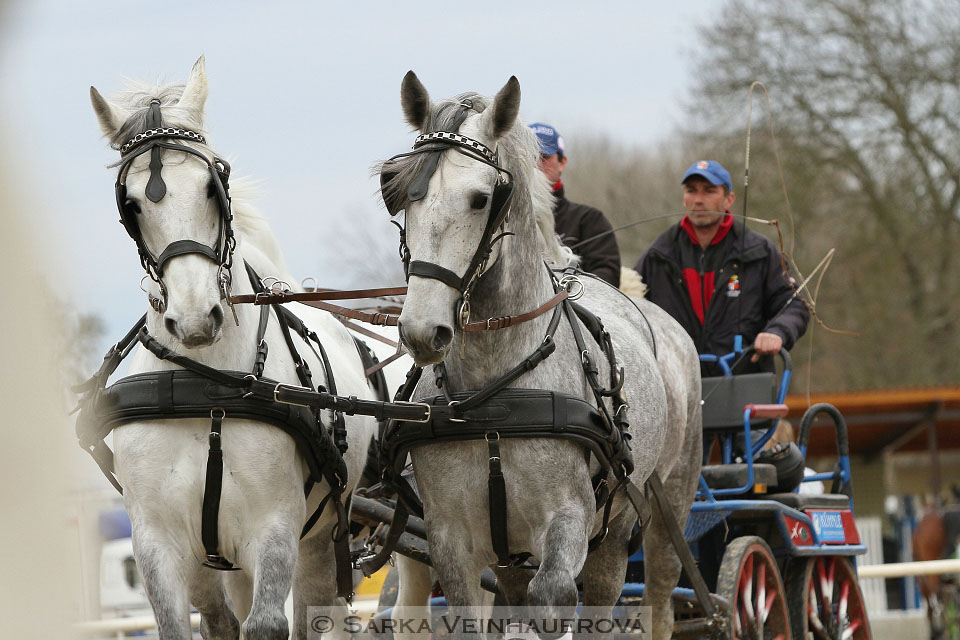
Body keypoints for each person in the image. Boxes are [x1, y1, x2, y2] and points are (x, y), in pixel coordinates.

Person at [635, 159, 809, 378]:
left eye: (709, 191)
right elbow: (629, 309)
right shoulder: (659, 254)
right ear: (684, 198)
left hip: (745, 382)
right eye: (691, 191)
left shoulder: (760, 251)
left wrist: (777, 333)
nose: (698, 200)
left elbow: (794, 305)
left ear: (729, 199)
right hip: (677, 386)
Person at [529, 122, 621, 287]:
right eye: (529, 155)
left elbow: (607, 276)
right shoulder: (500, 219)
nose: (536, 163)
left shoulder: (589, 219)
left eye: (544, 156)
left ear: (562, 162)